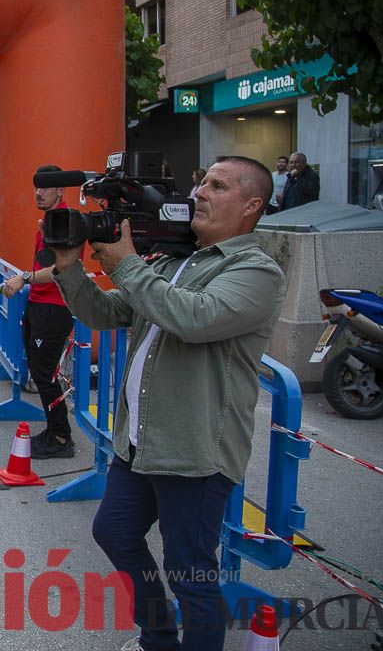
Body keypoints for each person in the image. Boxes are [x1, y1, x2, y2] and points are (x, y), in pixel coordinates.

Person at [49, 156, 284, 651]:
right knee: (114, 532)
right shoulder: (174, 260)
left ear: (251, 205)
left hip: (194, 451)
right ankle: (157, 637)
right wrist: (70, 268)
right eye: (201, 182)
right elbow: (107, 311)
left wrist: (130, 264)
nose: (199, 192)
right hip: (139, 443)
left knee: (191, 576)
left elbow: (193, 318)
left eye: (217, 186)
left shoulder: (255, 271)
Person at [0, 166, 76, 459]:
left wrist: (25, 278)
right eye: (36, 187)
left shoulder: (66, 220)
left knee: (44, 375)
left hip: (54, 307)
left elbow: (63, 269)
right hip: (40, 304)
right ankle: (54, 430)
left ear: (60, 190)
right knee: (40, 372)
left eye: (45, 187)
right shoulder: (50, 220)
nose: (39, 193)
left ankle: (61, 437)